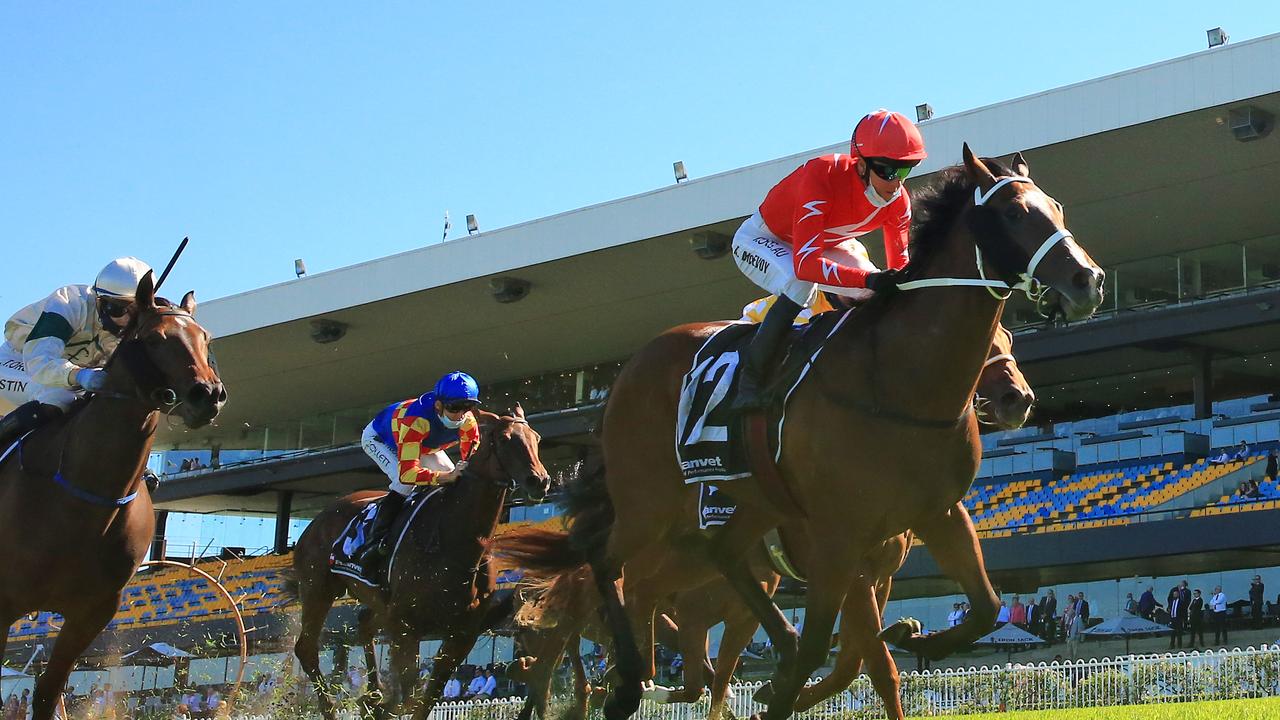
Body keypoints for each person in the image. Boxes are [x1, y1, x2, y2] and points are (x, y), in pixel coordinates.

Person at [728, 109, 927, 410]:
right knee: (801, 284)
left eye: (905, 170)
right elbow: (806, 265)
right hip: (762, 240)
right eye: (888, 170)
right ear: (861, 165)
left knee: (873, 292)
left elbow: (898, 271)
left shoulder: (899, 203)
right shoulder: (822, 174)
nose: (896, 183)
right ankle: (750, 381)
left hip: (820, 243)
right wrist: (869, 278)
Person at [0, 257, 152, 450]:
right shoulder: (70, 303)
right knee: (58, 396)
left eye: (136, 312)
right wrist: (79, 375)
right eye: (118, 309)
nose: (127, 320)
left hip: (69, 374)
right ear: (100, 301)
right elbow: (39, 363)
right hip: (17, 361)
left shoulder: (137, 327)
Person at [356, 370, 482, 567]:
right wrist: (444, 477)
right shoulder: (417, 420)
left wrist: (457, 475)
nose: (460, 415)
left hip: (422, 444)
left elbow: (470, 460)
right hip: (381, 439)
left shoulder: (468, 421)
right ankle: (374, 543)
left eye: (468, 407)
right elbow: (408, 474)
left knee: (456, 481)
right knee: (403, 483)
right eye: (455, 407)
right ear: (439, 405)